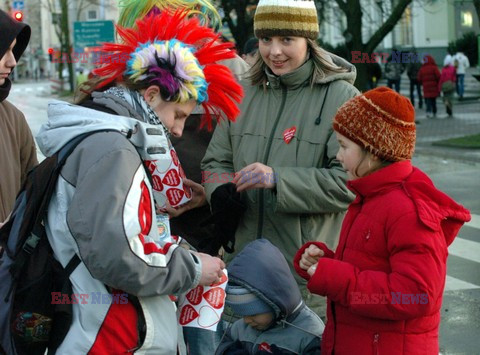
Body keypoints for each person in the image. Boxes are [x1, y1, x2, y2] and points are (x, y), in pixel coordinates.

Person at [35, 11, 243, 354]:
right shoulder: (114, 150)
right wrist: (192, 267)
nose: (178, 130)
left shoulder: (108, 140)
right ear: (149, 96)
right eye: (177, 115)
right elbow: (115, 256)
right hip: (105, 333)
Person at [202, 0, 358, 319]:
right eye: (266, 39)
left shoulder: (342, 98)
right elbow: (214, 163)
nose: (274, 51)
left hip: (304, 278)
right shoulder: (241, 92)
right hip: (242, 275)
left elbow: (350, 184)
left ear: (308, 41)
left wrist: (278, 180)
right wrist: (219, 192)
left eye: (287, 39)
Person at [294, 87, 471, 355]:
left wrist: (337, 278)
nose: (338, 155)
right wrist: (326, 264)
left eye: (344, 146)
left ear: (374, 150)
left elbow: (415, 294)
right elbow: (370, 265)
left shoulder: (406, 209)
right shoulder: (371, 195)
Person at [116, 1, 249, 354]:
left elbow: (246, 153)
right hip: (142, 244)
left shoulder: (230, 69)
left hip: (203, 240)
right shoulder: (132, 63)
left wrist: (208, 190)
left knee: (203, 340)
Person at [216, 239, 324, 354]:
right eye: (242, 314)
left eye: (253, 314)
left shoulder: (310, 333)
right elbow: (222, 347)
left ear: (274, 304)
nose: (246, 320)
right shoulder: (240, 328)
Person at [0, 10, 38, 223]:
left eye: (13, 51)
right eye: (4, 50)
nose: (12, 62)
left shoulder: (14, 118)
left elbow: (31, 192)